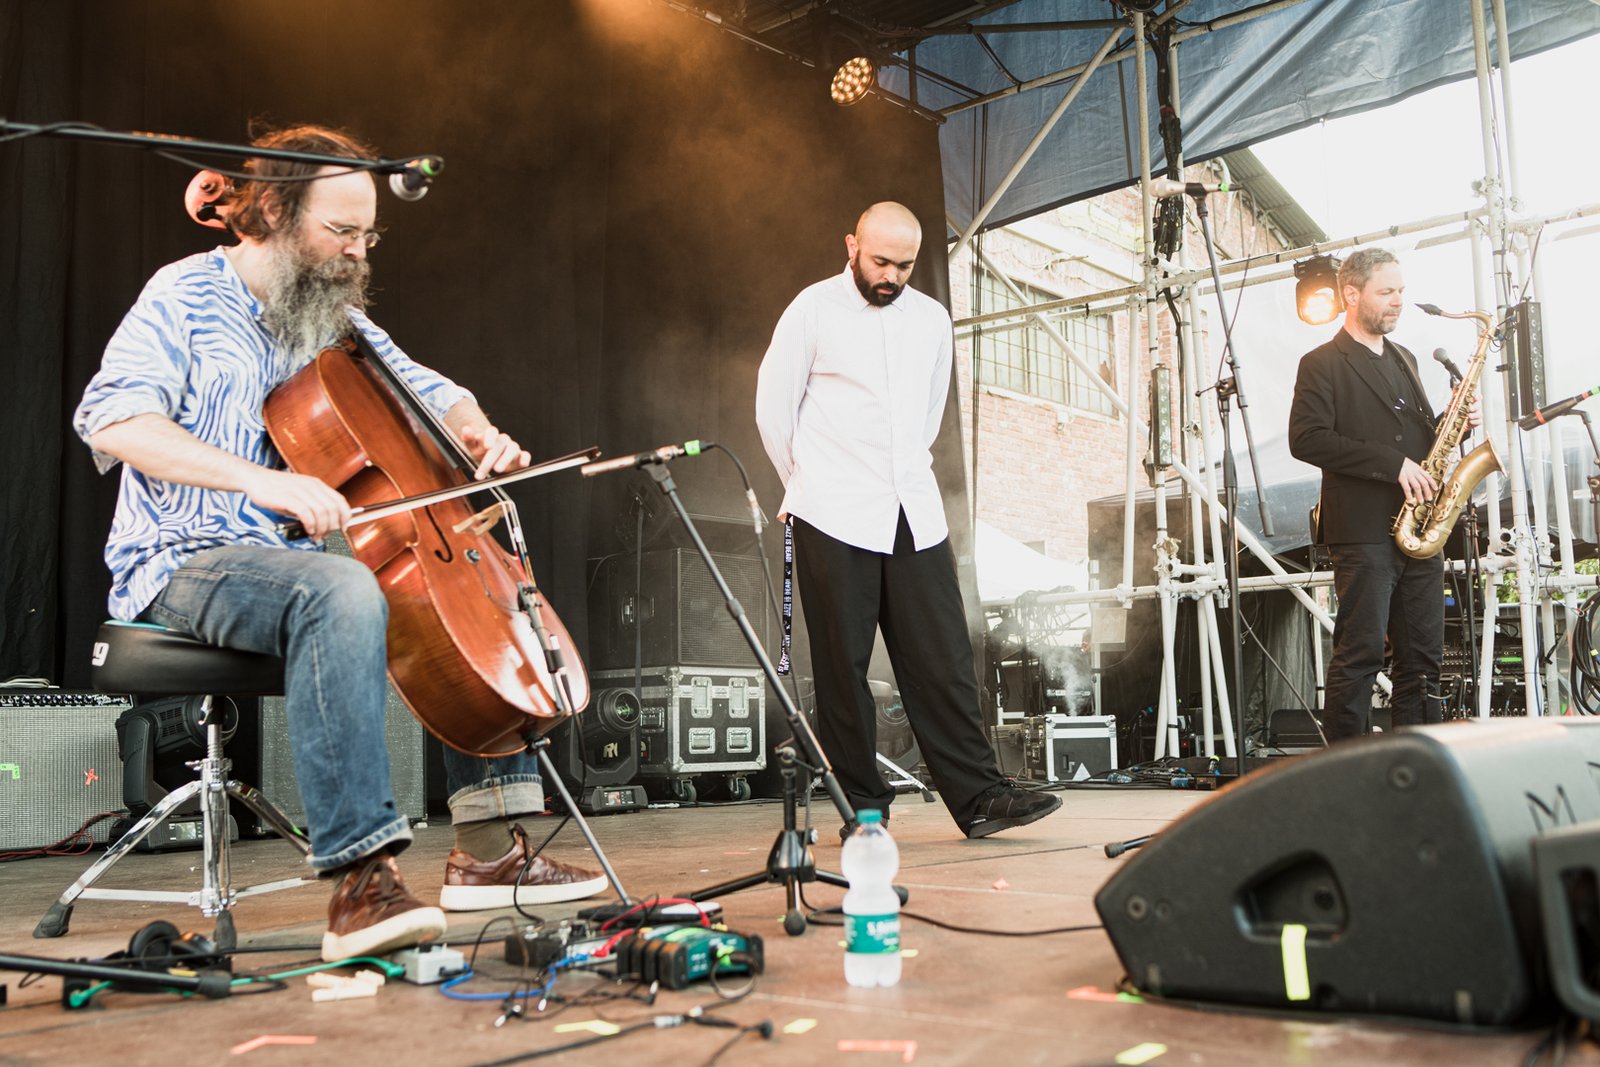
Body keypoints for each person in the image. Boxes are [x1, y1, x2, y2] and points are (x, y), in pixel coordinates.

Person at [73, 125, 605, 962]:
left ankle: (489, 851)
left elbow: (435, 391)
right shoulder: (183, 295)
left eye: (368, 236)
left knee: (455, 593)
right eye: (341, 231)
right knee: (343, 586)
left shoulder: (334, 320)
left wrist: (474, 430)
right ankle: (361, 880)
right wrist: (258, 481)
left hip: (294, 561)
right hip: (185, 558)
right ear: (275, 212)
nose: (357, 251)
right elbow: (114, 419)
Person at [755, 201, 1062, 840]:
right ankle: (863, 810)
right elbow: (773, 410)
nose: (892, 276)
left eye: (905, 265)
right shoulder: (812, 309)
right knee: (842, 668)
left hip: (911, 510)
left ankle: (979, 797)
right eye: (880, 262)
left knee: (944, 656)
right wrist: (805, 485)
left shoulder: (931, 319)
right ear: (851, 245)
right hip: (831, 510)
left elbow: (927, 416)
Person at [1288, 248, 1481, 741]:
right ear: (1352, 294)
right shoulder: (1321, 363)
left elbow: (1418, 442)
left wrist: (1453, 425)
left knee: (1423, 659)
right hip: (1363, 531)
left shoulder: (1405, 358)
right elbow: (1306, 439)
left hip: (1418, 527)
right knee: (1360, 654)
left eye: (1401, 290)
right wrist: (1392, 464)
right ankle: (1348, 769)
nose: (1398, 301)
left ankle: (1418, 762)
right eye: (1386, 291)